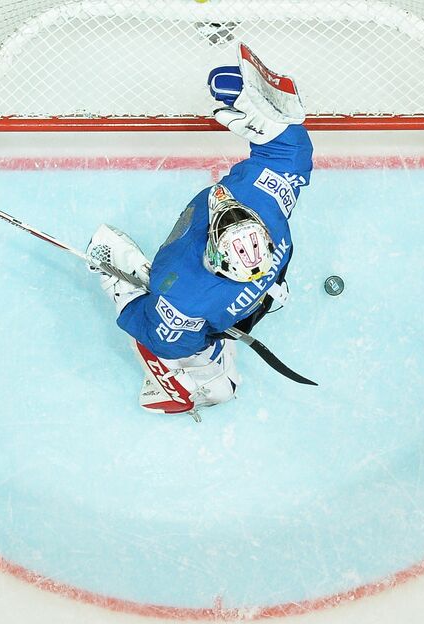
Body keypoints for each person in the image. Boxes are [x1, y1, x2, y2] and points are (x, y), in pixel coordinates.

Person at [87, 49, 312, 417]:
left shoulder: (187, 295)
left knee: (183, 347)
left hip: (211, 314)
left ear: (215, 256)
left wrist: (125, 288)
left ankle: (207, 380)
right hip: (261, 288)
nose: (225, 203)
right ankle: (268, 295)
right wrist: (277, 124)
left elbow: (165, 339)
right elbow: (291, 156)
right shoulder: (267, 210)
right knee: (228, 309)